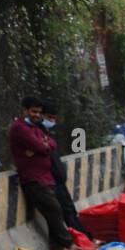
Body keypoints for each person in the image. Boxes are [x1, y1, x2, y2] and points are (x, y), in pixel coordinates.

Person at [8, 96, 73, 250]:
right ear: (25, 110)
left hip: (46, 177)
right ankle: (68, 243)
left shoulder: (35, 127)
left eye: (39, 112)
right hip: (33, 178)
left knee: (53, 212)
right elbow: (41, 146)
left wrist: (42, 146)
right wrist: (42, 146)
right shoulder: (19, 128)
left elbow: (51, 143)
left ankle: (57, 247)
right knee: (55, 209)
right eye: (33, 111)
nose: (37, 115)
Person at [40, 101, 87, 236]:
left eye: (54, 118)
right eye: (49, 117)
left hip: (59, 179)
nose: (52, 121)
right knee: (64, 211)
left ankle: (83, 235)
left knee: (70, 209)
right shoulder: (38, 134)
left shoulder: (48, 135)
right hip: (51, 180)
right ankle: (78, 237)